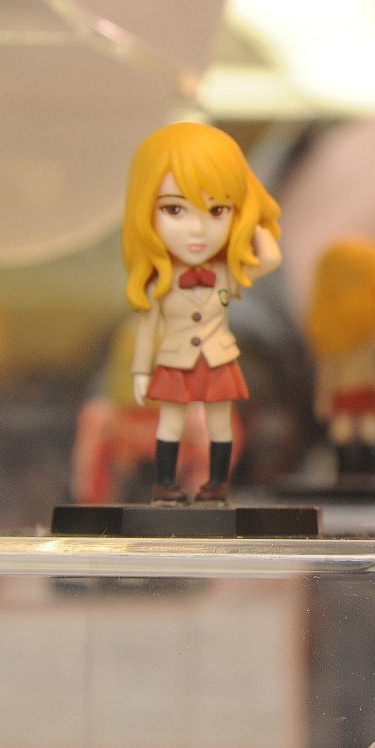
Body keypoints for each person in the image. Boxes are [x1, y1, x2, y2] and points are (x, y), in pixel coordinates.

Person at [122, 122, 282, 504]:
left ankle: (216, 484)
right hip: (175, 358)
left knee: (220, 423)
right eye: (175, 209)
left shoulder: (227, 271)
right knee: (171, 423)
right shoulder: (158, 280)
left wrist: (255, 216)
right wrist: (141, 370)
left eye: (217, 210)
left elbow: (271, 259)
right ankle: (166, 484)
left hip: (217, 357)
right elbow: (147, 325)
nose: (197, 229)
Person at [304, 238, 375, 475]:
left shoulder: (374, 332)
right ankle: (347, 473)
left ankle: (363, 474)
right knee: (344, 430)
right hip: (347, 389)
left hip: (369, 387)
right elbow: (327, 370)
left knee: (367, 430)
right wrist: (323, 398)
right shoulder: (332, 338)